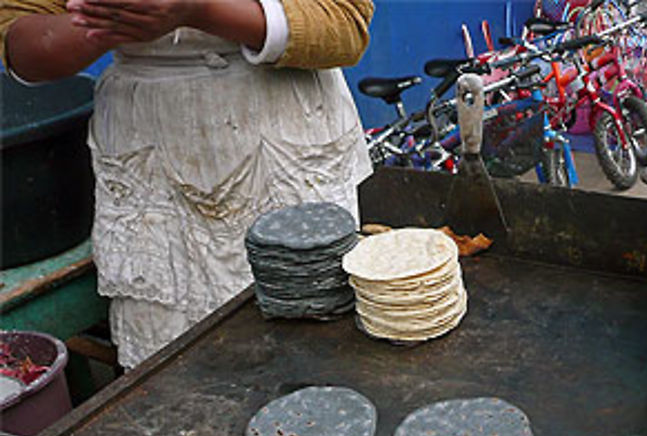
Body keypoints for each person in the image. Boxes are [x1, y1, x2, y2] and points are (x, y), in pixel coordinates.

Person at [1, 0, 374, 368]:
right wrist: (115, 19)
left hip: (281, 128)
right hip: (148, 147)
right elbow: (22, 44)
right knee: (172, 368)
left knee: (313, 347)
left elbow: (343, 26)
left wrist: (200, 11)